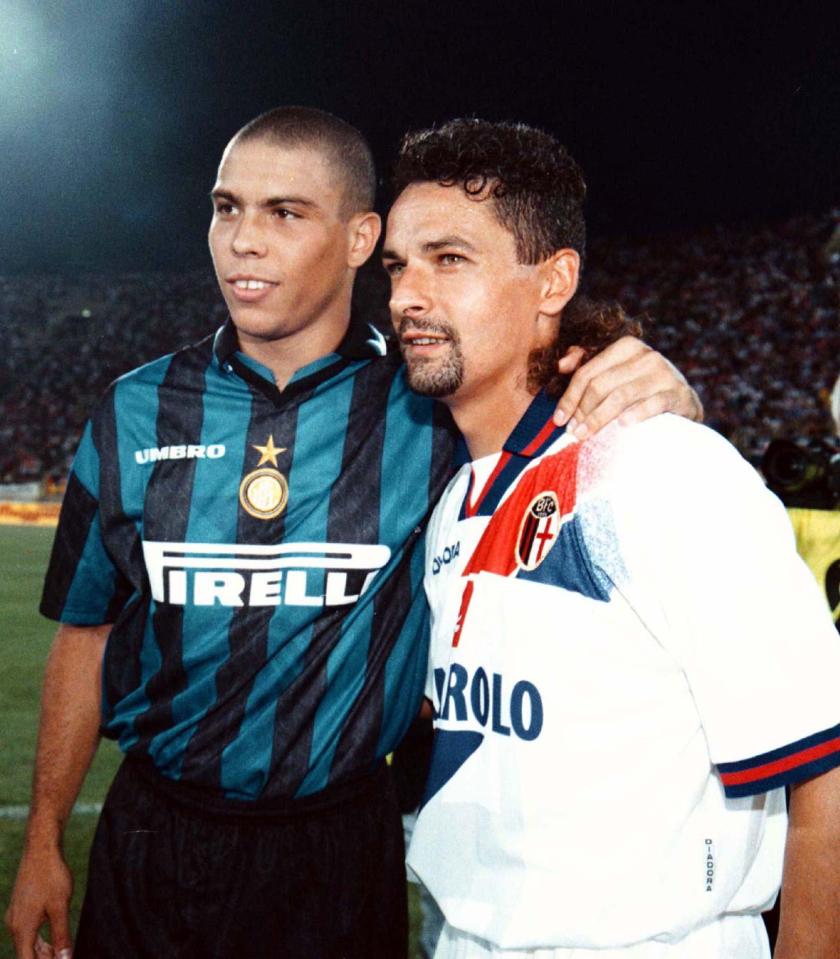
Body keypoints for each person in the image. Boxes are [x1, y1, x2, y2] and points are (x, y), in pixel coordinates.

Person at [5, 107, 700, 959]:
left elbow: (555, 380)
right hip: (155, 835)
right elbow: (87, 634)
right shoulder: (133, 408)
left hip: (337, 847)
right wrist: (44, 837)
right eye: (227, 208)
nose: (242, 241)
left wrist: (652, 373)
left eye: (284, 213)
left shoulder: (430, 406)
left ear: (360, 236)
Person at [383, 118, 840, 959]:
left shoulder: (663, 469)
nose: (408, 294)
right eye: (398, 266)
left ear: (554, 279)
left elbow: (825, 770)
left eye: (449, 259)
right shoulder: (455, 501)